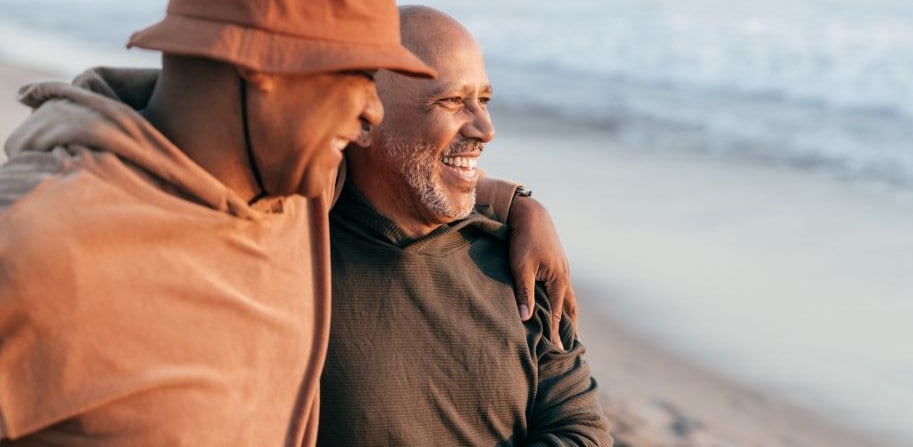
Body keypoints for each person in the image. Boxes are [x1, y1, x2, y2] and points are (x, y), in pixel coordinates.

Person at [0, 1, 574, 445]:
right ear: (263, 73)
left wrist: (516, 202)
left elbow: (401, 169)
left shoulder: (295, 191)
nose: (370, 111)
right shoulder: (38, 248)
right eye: (355, 77)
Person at [318, 6, 611, 446]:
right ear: (363, 119)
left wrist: (518, 205)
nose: (486, 128)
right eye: (453, 101)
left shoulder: (519, 264)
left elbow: (582, 430)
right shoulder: (293, 252)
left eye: (485, 100)